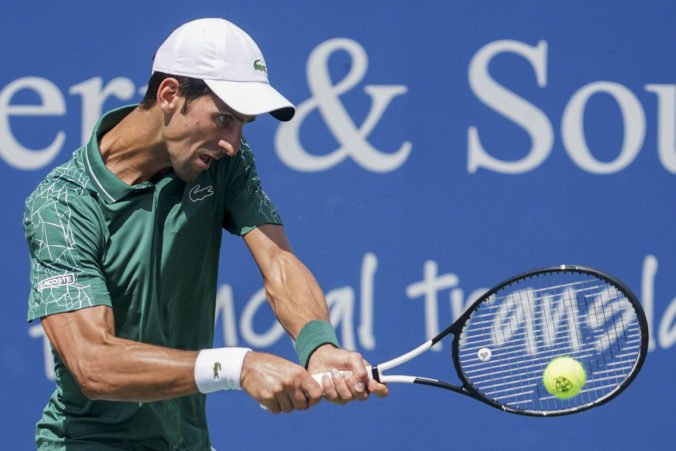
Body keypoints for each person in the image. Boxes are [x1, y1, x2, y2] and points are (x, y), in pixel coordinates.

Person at [23, 18, 387, 450]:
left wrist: (317, 344)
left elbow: (278, 262)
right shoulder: (61, 206)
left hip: (186, 441)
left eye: (242, 124)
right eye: (223, 119)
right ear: (170, 95)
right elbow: (91, 364)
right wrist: (238, 367)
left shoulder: (223, 161)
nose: (232, 141)